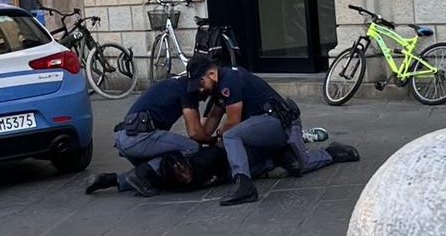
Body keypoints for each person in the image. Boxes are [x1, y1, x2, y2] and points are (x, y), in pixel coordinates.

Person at [192, 60, 359, 205]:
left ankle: (245, 187)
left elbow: (233, 123)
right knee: (291, 165)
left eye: (200, 83)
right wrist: (199, 142)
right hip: (261, 130)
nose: (199, 89)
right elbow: (214, 116)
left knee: (231, 136)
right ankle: (276, 158)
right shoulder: (218, 87)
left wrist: (217, 138)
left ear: (212, 74)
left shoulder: (229, 80)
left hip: (279, 124)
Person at [86, 58, 215, 196]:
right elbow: (195, 132)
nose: (202, 90)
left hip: (123, 137)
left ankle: (111, 180)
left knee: (162, 171)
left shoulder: (173, 83)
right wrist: (212, 140)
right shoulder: (188, 92)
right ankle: (141, 174)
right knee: (189, 148)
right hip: (140, 138)